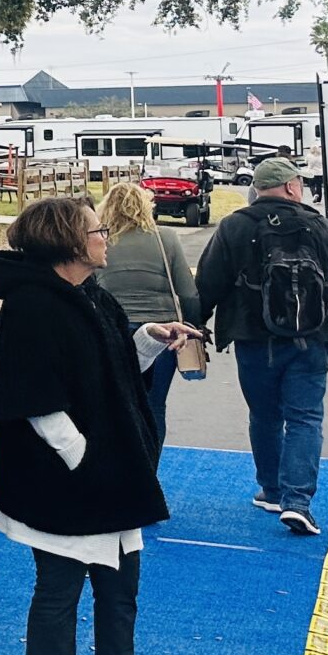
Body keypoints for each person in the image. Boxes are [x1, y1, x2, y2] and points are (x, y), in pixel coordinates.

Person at [0, 195, 196, 655]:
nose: (105, 236)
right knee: (58, 593)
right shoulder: (32, 307)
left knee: (120, 589)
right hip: (64, 483)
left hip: (111, 478)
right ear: (67, 242)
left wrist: (150, 340)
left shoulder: (91, 297)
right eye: (96, 231)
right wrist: (85, 460)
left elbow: (112, 368)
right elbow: (35, 401)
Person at [195, 157, 328, 535]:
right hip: (313, 337)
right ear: (291, 187)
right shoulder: (318, 224)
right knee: (305, 417)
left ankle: (272, 491)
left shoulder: (234, 227)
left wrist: (197, 325)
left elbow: (208, 282)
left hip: (254, 339)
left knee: (265, 415)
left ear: (257, 189)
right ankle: (298, 502)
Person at [91, 177, 204, 454]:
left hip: (113, 330)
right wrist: (193, 325)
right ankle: (149, 469)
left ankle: (118, 466)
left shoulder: (102, 241)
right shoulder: (165, 237)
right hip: (163, 332)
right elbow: (187, 291)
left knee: (115, 402)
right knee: (154, 405)